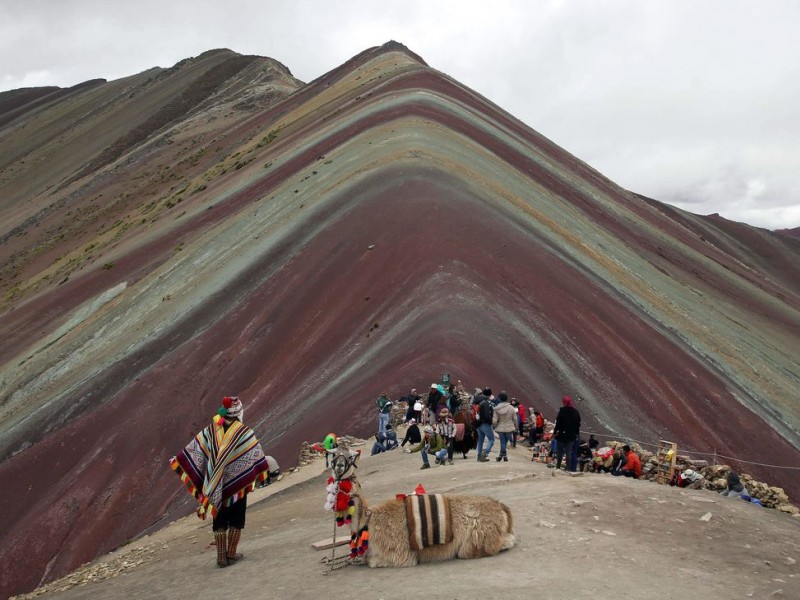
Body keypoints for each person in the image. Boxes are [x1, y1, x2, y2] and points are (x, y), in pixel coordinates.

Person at [170, 396, 270, 568]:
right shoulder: (244, 433)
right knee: (237, 519)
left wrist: (180, 460)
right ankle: (231, 554)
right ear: (239, 413)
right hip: (238, 484)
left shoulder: (211, 430)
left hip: (216, 485)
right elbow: (255, 454)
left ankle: (221, 558)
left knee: (220, 518)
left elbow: (196, 449)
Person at [553, 396, 581, 472]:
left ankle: (558, 467)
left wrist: (555, 432)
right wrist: (576, 434)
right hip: (571, 436)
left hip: (562, 434)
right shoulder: (576, 412)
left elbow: (558, 423)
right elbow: (578, 424)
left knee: (560, 451)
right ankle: (568, 468)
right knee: (568, 452)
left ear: (564, 402)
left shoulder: (562, 411)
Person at [492, 392, 516, 462]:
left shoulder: (496, 409)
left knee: (502, 442)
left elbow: (494, 420)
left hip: (500, 428)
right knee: (505, 443)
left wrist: (495, 426)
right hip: (509, 428)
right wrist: (516, 426)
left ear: (499, 399)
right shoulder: (511, 408)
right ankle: (504, 456)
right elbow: (515, 419)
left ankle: (501, 456)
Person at [473, 389, 495, 462]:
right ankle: (485, 453)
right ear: (489, 395)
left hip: (477, 423)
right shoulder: (485, 402)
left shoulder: (476, 400)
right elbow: (487, 415)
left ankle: (479, 456)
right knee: (491, 439)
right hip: (484, 423)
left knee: (480, 440)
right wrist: (490, 422)